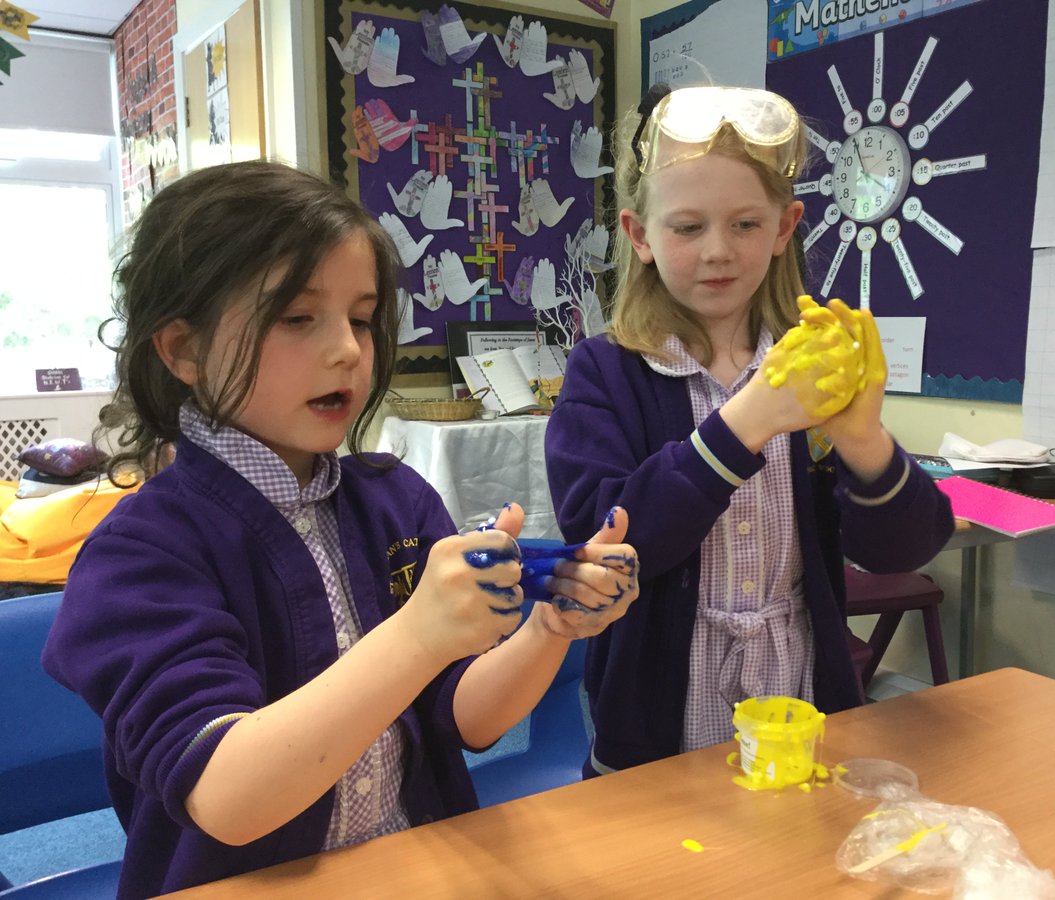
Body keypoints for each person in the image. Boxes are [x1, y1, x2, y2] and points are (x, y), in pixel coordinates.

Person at [42, 160, 639, 899]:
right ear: (184, 351)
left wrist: (547, 628)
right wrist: (418, 634)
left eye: (360, 318)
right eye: (297, 318)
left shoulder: (395, 499)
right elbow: (226, 795)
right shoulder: (140, 555)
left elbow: (467, 718)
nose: (349, 351)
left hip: (411, 870)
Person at [544, 86, 954, 777]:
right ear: (640, 236)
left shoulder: (810, 359)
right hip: (657, 711)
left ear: (785, 227)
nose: (717, 251)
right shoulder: (603, 371)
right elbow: (603, 542)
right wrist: (746, 424)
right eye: (686, 227)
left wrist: (862, 440)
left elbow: (904, 549)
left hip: (798, 688)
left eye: (743, 224)